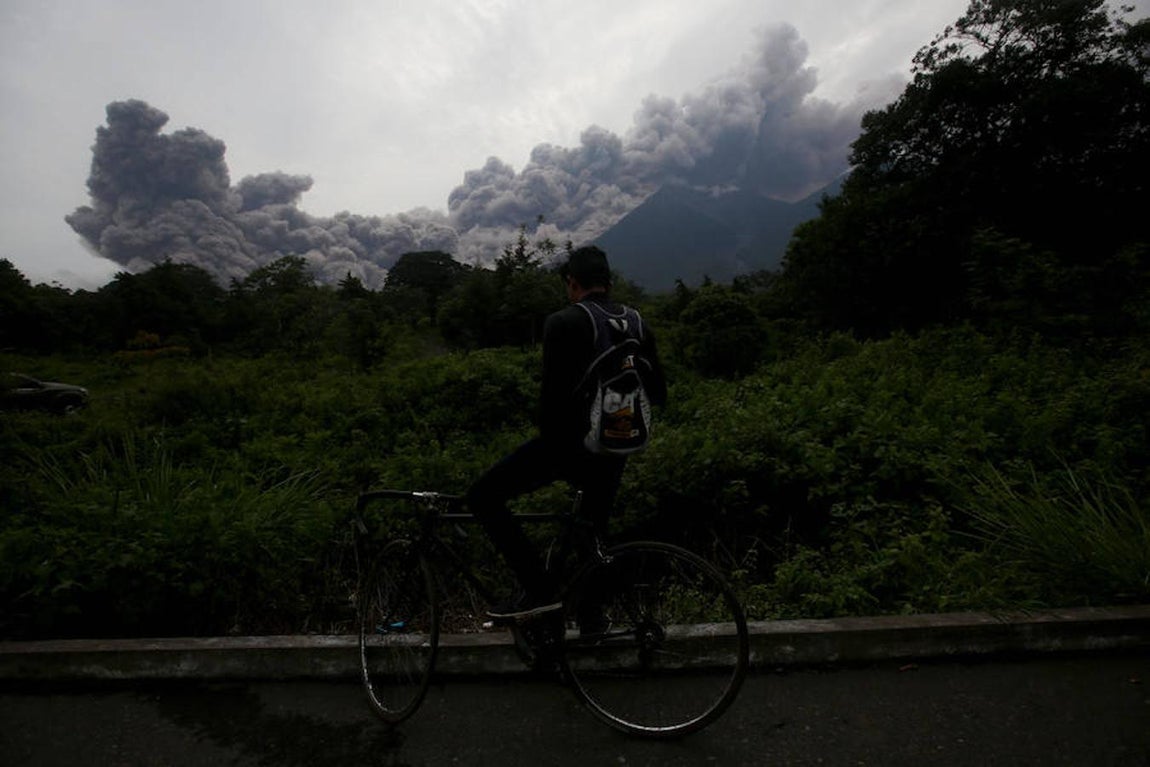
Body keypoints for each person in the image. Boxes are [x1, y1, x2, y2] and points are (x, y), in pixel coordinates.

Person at [466, 245, 667, 620]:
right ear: (609, 283)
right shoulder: (638, 322)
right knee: (590, 535)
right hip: (618, 445)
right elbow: (658, 394)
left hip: (570, 446)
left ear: (571, 283)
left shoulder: (562, 322)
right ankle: (593, 623)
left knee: (483, 497)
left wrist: (552, 449)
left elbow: (552, 403)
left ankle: (538, 591)